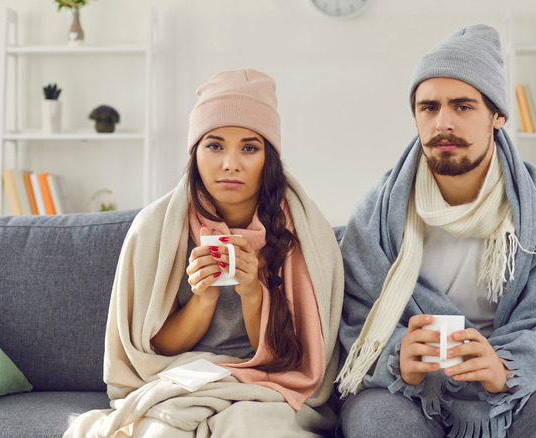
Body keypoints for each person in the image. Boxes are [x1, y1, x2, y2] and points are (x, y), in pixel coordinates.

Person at [335, 25, 536, 437]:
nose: (443, 123)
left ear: (497, 115)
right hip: (410, 386)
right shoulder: (380, 208)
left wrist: (507, 367)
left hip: (512, 381)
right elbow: (354, 312)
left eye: (462, 106)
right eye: (429, 108)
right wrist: (396, 355)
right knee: (376, 424)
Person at [65, 68, 344, 437]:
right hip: (181, 376)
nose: (231, 163)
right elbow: (155, 348)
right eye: (214, 145)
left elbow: (298, 360)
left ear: (269, 158)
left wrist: (252, 293)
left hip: (271, 383)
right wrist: (203, 299)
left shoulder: (308, 232)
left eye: (249, 147)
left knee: (249, 427)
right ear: (196, 152)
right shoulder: (156, 228)